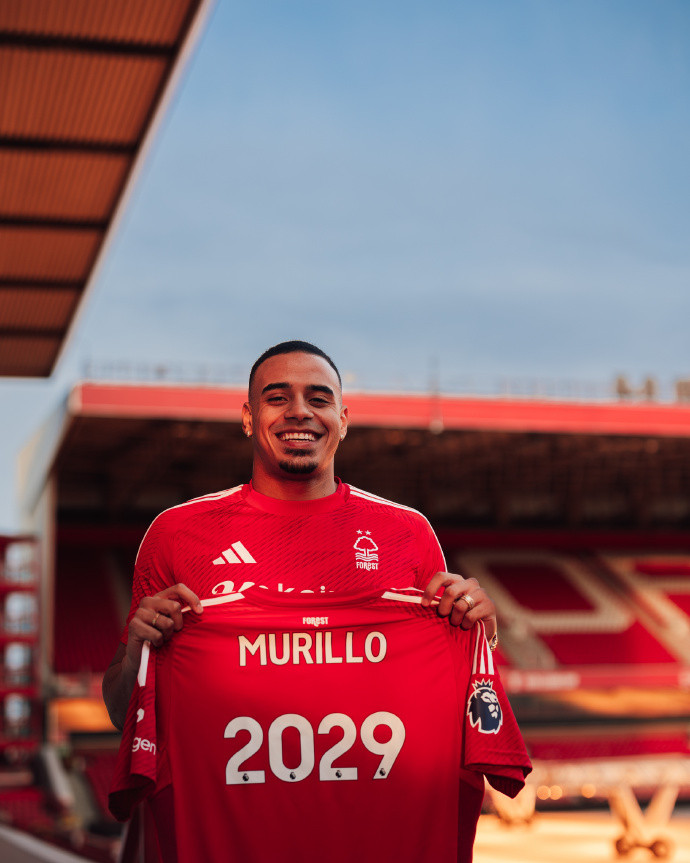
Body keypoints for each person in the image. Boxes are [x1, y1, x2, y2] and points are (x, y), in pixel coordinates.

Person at [103, 340, 498, 731]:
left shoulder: (407, 532)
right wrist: (137, 657)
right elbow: (123, 716)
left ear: (343, 421)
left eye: (319, 400)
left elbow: (453, 701)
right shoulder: (176, 532)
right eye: (277, 398)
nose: (299, 412)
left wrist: (482, 636)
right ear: (248, 418)